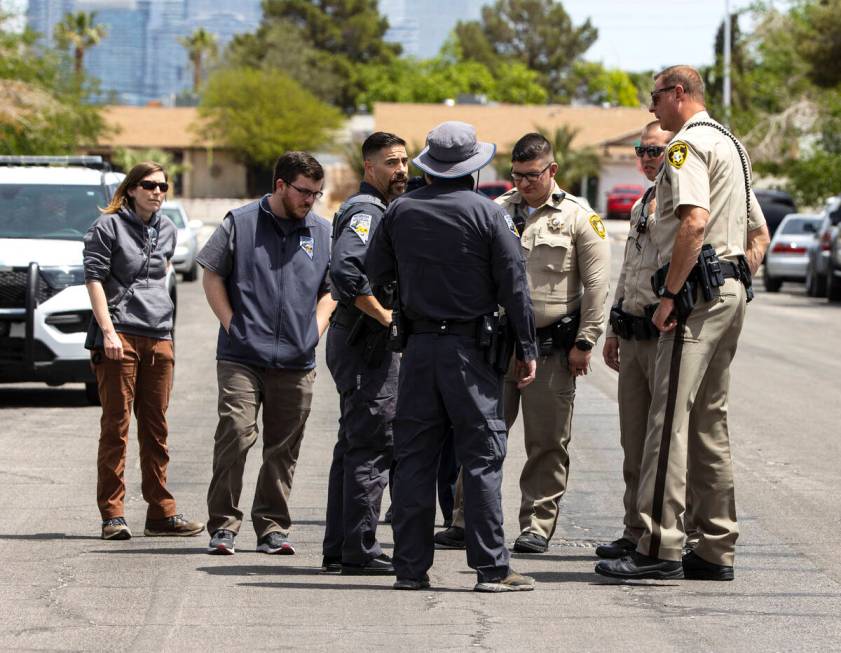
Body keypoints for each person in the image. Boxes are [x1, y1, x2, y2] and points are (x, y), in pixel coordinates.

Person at [596, 65, 770, 581]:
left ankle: (657, 545)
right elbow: (752, 232)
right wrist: (729, 278)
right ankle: (715, 545)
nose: (651, 109)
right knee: (708, 423)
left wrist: (673, 294)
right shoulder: (731, 144)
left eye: (654, 97)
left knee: (666, 422)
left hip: (695, 299)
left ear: (677, 93)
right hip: (725, 292)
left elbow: (694, 221)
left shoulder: (686, 145)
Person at [367, 121, 539, 592]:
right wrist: (526, 348)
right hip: (471, 352)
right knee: (481, 457)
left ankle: (409, 570)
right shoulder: (488, 215)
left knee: (416, 459)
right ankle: (491, 569)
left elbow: (374, 271)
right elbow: (515, 285)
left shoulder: (399, 211)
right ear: (473, 169)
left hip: (419, 350)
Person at [434, 132, 611, 554]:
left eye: (532, 175)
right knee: (479, 434)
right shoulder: (496, 212)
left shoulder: (578, 218)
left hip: (552, 350)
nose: (524, 183)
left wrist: (585, 342)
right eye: (517, 175)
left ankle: (536, 525)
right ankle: (464, 519)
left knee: (547, 442)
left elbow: (598, 285)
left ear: (552, 170)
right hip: (497, 348)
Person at [198, 152, 336, 556]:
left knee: (282, 448)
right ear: (280, 185)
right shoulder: (240, 223)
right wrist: (231, 324)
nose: (310, 200)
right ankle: (223, 525)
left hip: (297, 360)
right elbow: (211, 274)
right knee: (236, 434)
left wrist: (315, 330)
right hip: (241, 355)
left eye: (316, 193)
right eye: (304, 192)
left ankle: (272, 527)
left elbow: (332, 289)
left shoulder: (322, 232)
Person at [83, 161, 204, 541]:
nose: (157, 192)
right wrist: (108, 332)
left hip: (159, 336)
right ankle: (113, 514)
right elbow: (94, 280)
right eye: (149, 185)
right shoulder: (108, 227)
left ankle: (160, 512)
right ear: (132, 188)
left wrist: (165, 328)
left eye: (163, 186)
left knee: (156, 428)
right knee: (116, 428)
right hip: (120, 337)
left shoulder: (166, 229)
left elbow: (161, 277)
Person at [321, 132, 408, 575]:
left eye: (405, 161)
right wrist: (385, 317)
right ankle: (359, 549)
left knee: (354, 444)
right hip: (365, 346)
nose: (402, 170)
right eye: (392, 163)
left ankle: (340, 547)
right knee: (372, 445)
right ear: (369, 168)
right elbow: (346, 270)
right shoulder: (367, 211)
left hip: (358, 342)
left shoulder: (379, 209)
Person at [596, 121, 674, 559]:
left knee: (665, 443)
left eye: (656, 150)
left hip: (666, 336)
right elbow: (627, 273)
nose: (647, 157)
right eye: (642, 150)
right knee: (633, 442)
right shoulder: (643, 202)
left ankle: (670, 534)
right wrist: (612, 329)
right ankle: (634, 528)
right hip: (634, 334)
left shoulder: (686, 200)